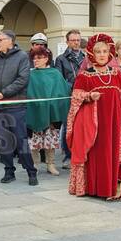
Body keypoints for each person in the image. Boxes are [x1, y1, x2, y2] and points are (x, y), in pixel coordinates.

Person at [67, 34, 121, 200]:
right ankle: (94, 187)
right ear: (92, 53)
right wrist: (89, 96)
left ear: (109, 53)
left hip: (114, 123)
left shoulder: (116, 73)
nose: (101, 54)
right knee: (97, 154)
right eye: (98, 51)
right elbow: (75, 98)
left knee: (113, 153)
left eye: (105, 51)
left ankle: (112, 186)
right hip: (94, 124)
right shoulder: (84, 76)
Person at [0, 30, 38, 186]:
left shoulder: (22, 57)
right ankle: (9, 171)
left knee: (20, 139)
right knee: (4, 141)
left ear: (11, 41)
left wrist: (3, 93)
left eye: (0, 39)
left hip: (16, 106)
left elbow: (22, 80)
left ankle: (31, 171)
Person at [26, 45, 69, 176]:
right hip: (35, 111)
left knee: (50, 138)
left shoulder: (55, 74)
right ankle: (35, 164)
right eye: (34, 58)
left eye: (39, 57)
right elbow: (28, 92)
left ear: (46, 59)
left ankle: (51, 164)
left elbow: (62, 92)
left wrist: (54, 106)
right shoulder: (30, 74)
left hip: (52, 112)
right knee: (34, 140)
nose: (36, 60)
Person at [54, 30, 84, 169]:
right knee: (68, 127)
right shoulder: (61, 59)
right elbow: (59, 79)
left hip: (84, 97)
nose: (76, 42)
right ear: (67, 42)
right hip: (69, 96)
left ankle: (81, 154)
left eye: (78, 40)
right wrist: (75, 87)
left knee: (83, 127)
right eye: (73, 40)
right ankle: (68, 155)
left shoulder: (86, 57)